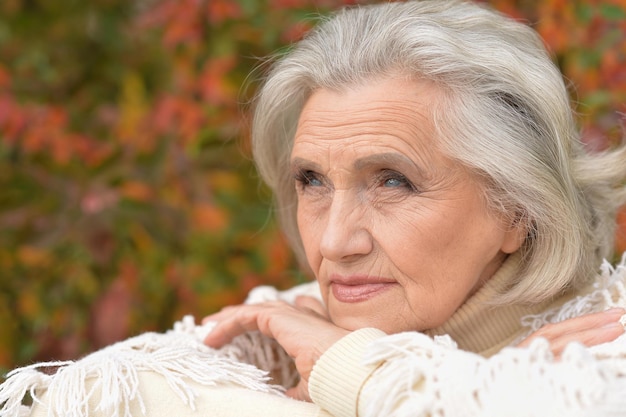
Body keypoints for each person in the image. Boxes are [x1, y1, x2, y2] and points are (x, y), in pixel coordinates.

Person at [2, 1, 626, 416]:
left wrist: (340, 373)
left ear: (517, 207)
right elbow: (71, 397)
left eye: (393, 182)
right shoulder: (294, 323)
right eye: (311, 181)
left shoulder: (606, 351)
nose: (333, 244)